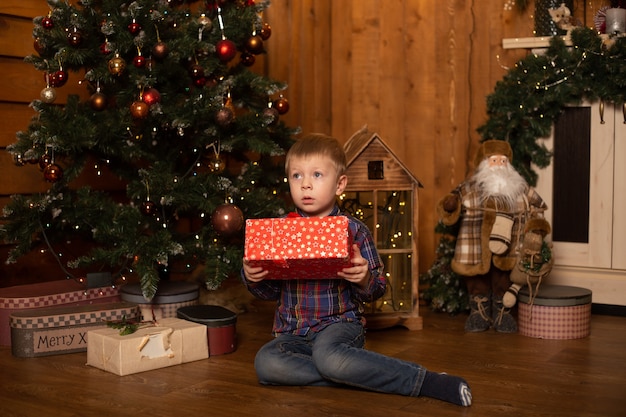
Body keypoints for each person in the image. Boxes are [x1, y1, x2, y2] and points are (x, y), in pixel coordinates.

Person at [242, 133, 472, 407]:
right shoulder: (279, 231)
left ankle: (424, 380)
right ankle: (357, 375)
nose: (305, 184)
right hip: (293, 332)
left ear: (340, 184)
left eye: (317, 175)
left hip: (339, 328)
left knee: (330, 358)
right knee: (266, 363)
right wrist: (254, 276)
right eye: (296, 176)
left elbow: (378, 288)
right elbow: (269, 291)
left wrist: (364, 278)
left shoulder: (353, 230)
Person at [437, 140, 548, 333]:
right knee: (476, 280)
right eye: (493, 160)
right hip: (475, 247)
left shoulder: (520, 189)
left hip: (509, 246)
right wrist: (450, 205)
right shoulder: (469, 187)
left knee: (503, 278)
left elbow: (539, 206)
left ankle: (502, 311)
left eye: (502, 160)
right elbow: (448, 209)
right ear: (484, 163)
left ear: (509, 164)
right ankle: (479, 311)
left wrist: (535, 228)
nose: (498, 164)